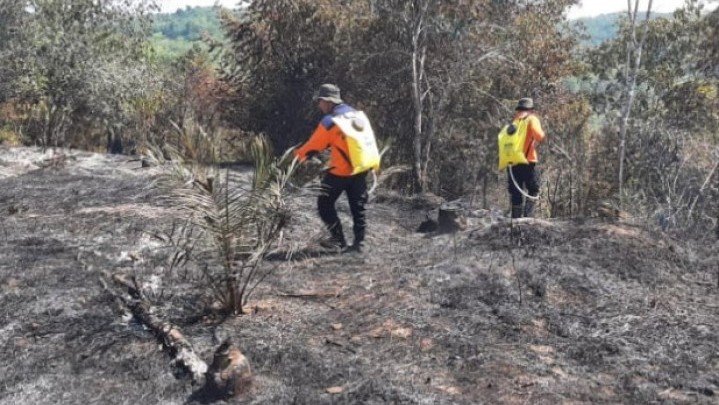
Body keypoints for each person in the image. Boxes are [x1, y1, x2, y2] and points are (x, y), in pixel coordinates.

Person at [294, 84, 370, 252]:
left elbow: (314, 145)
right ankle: (359, 243)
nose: (319, 105)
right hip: (361, 167)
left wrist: (295, 156)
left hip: (341, 172)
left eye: (319, 101)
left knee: (324, 204)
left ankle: (338, 240)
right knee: (358, 207)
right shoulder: (357, 115)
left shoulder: (330, 121)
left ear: (328, 101)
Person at [507, 97, 545, 218]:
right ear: (531, 110)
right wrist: (536, 142)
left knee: (516, 191)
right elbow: (539, 135)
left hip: (512, 162)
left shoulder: (515, 120)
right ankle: (528, 218)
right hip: (527, 161)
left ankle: (516, 220)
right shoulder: (532, 119)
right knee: (533, 189)